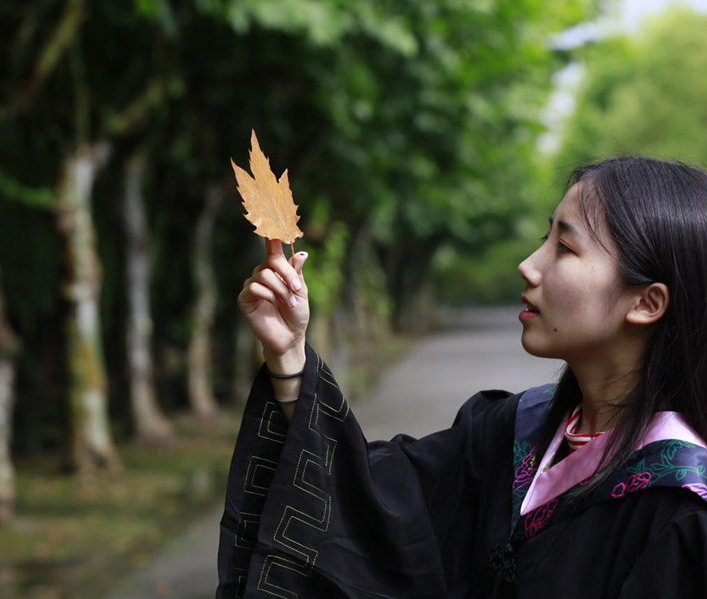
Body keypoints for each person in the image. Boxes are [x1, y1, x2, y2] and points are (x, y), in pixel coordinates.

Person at [216, 157, 707, 598]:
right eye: (545, 238)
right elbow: (369, 499)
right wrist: (289, 353)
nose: (528, 266)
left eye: (565, 248)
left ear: (646, 303)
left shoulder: (681, 511)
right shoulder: (515, 432)